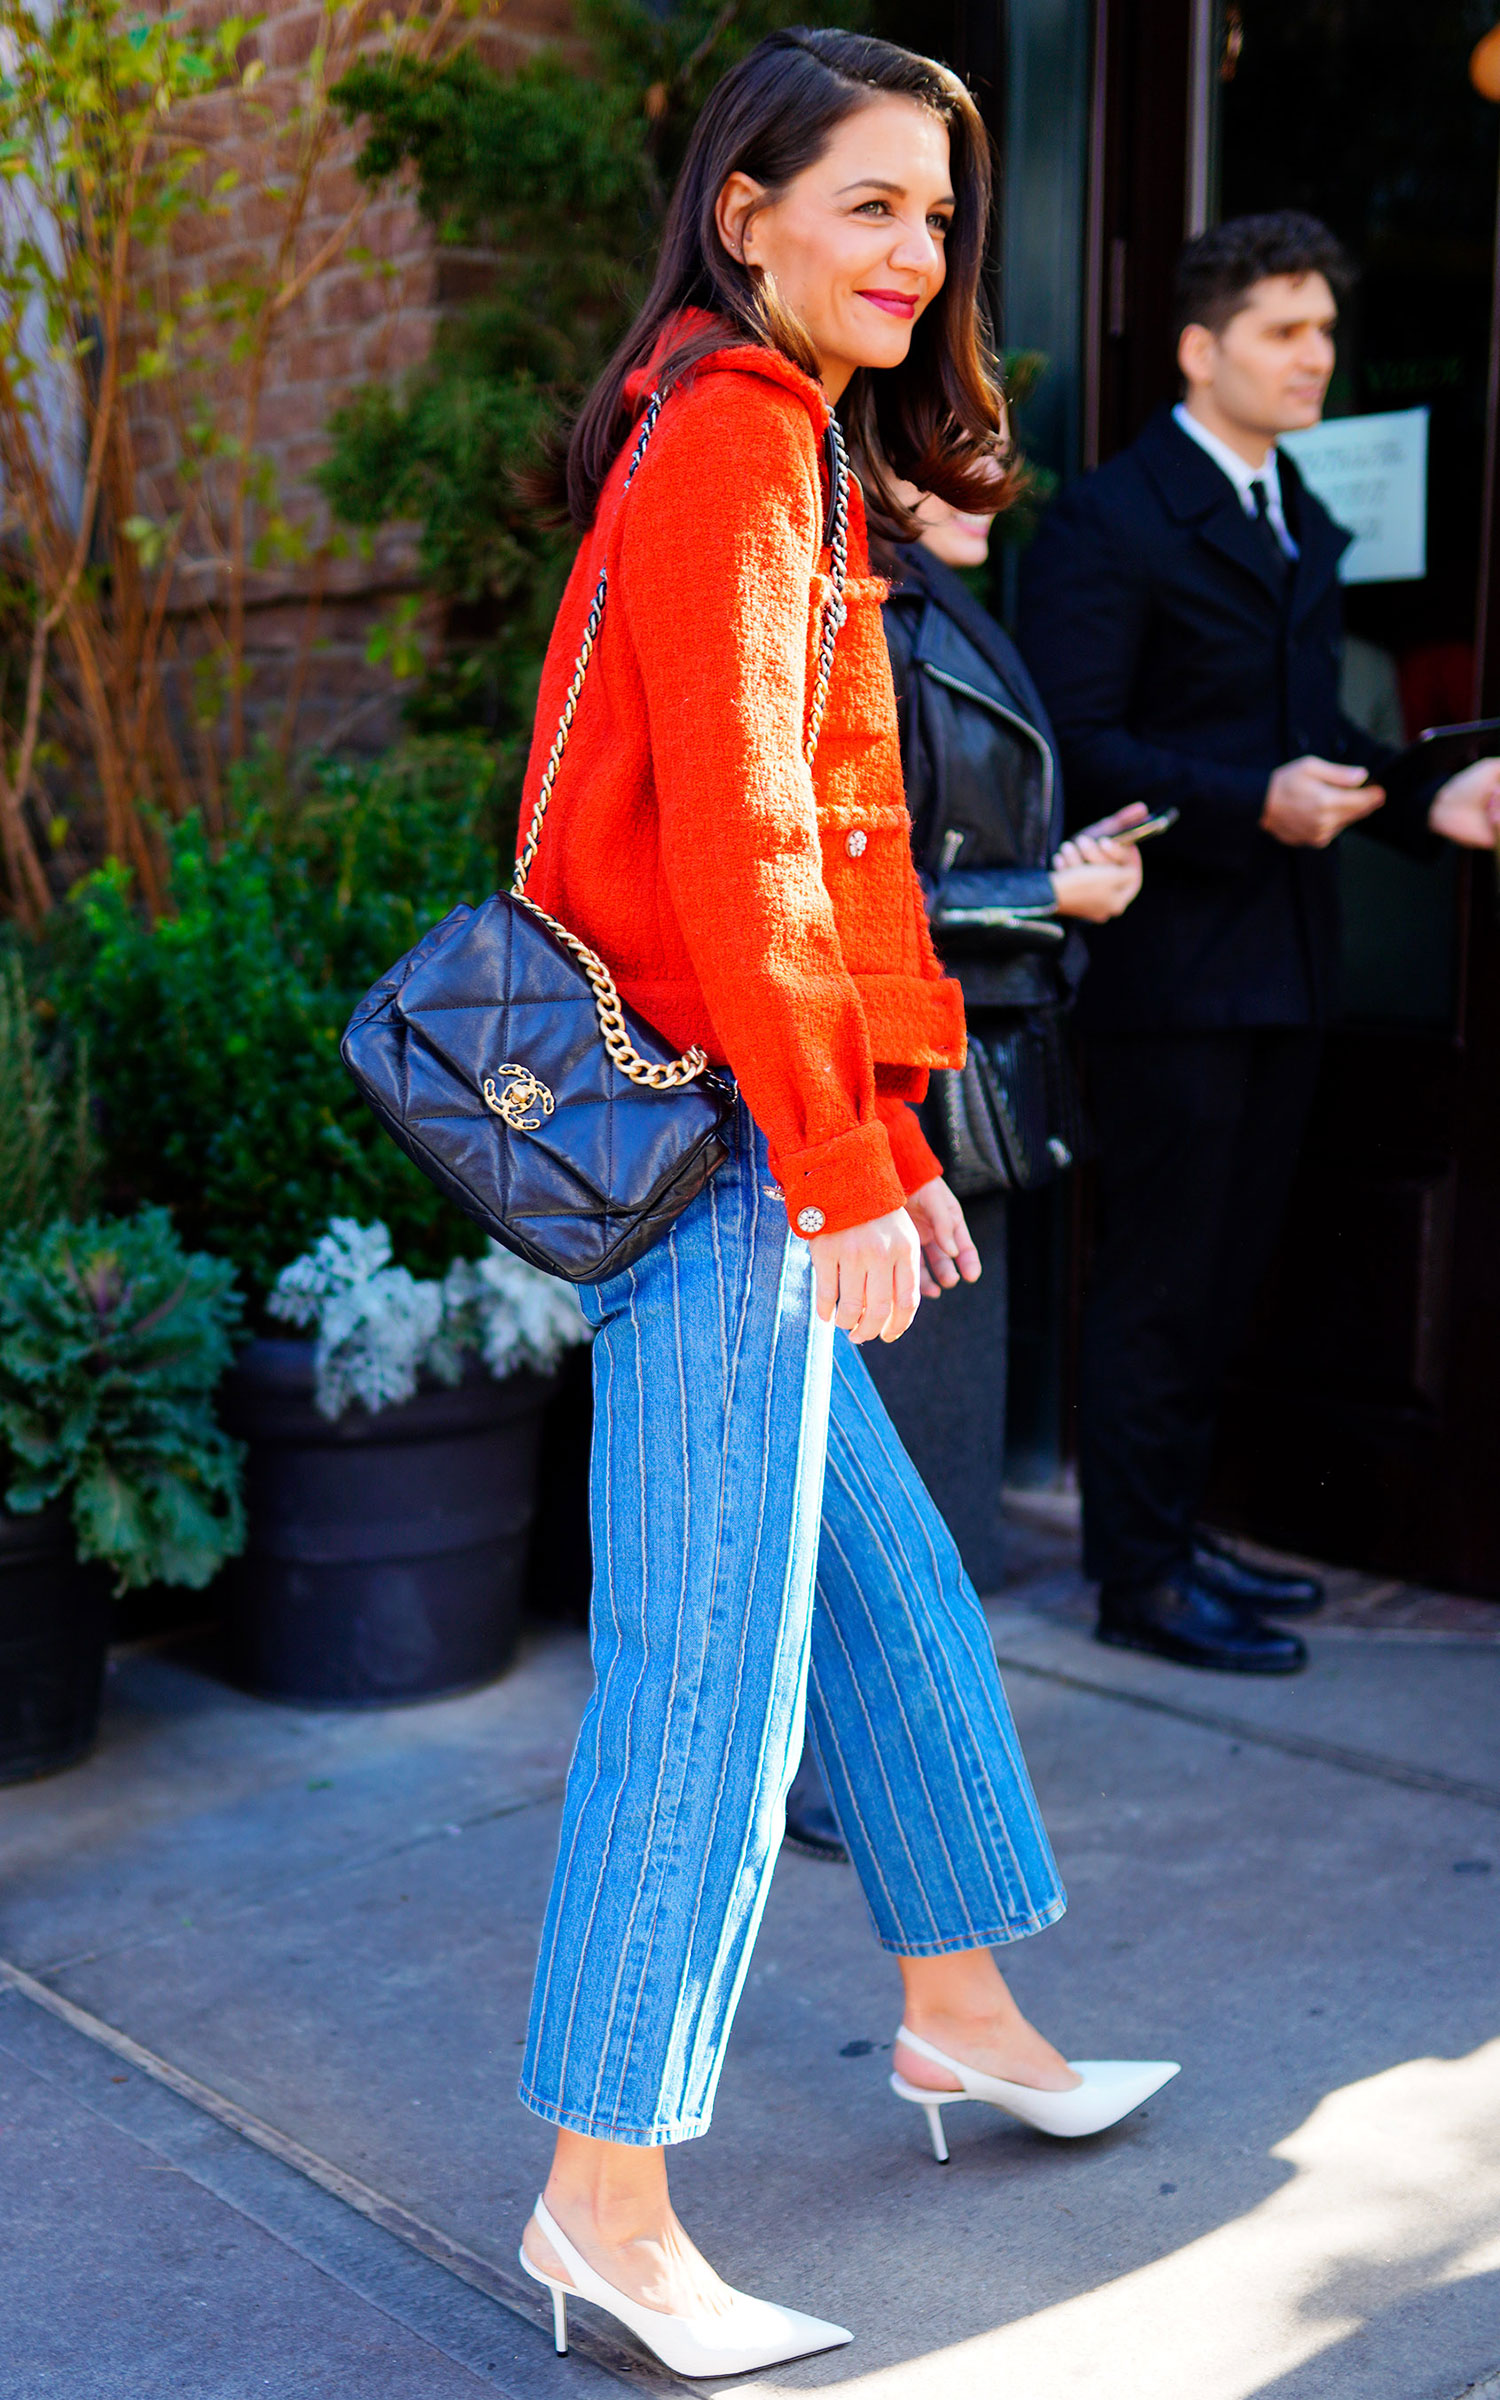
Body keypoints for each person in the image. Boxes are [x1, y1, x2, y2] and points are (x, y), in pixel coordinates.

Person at [510, 31, 1177, 2378]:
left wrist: (893, 1144)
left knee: (884, 1600)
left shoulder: (779, 434)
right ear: (747, 215)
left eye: (936, 217)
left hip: (764, 1128)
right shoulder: (727, 438)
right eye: (869, 205)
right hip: (715, 1145)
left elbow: (830, 843)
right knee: (708, 1673)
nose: (915, 256)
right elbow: (744, 848)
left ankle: (963, 2008)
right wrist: (829, 1157)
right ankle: (606, 2193)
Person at [1018, 212, 1500, 1676]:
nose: (1318, 360)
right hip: (1171, 975)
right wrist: (1255, 802)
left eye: (1326, 335)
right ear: (1198, 347)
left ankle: (1177, 1538)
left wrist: (1430, 798)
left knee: (1228, 1277)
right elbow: (1072, 742)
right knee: (1162, 1276)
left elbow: (1319, 743)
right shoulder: (1112, 519)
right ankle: (1138, 1580)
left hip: (1287, 960)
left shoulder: (1290, 508)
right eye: (1288, 332)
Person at [784, 478, 1145, 1861]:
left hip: (959, 1073)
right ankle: (849, 1782)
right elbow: (831, 896)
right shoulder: (869, 614)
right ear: (883, 466)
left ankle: (884, 1768)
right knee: (892, 1451)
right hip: (899, 1088)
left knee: (923, 1456)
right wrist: (1042, 895)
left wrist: (1047, 874)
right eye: (957, 445)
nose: (996, 475)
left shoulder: (943, 610)